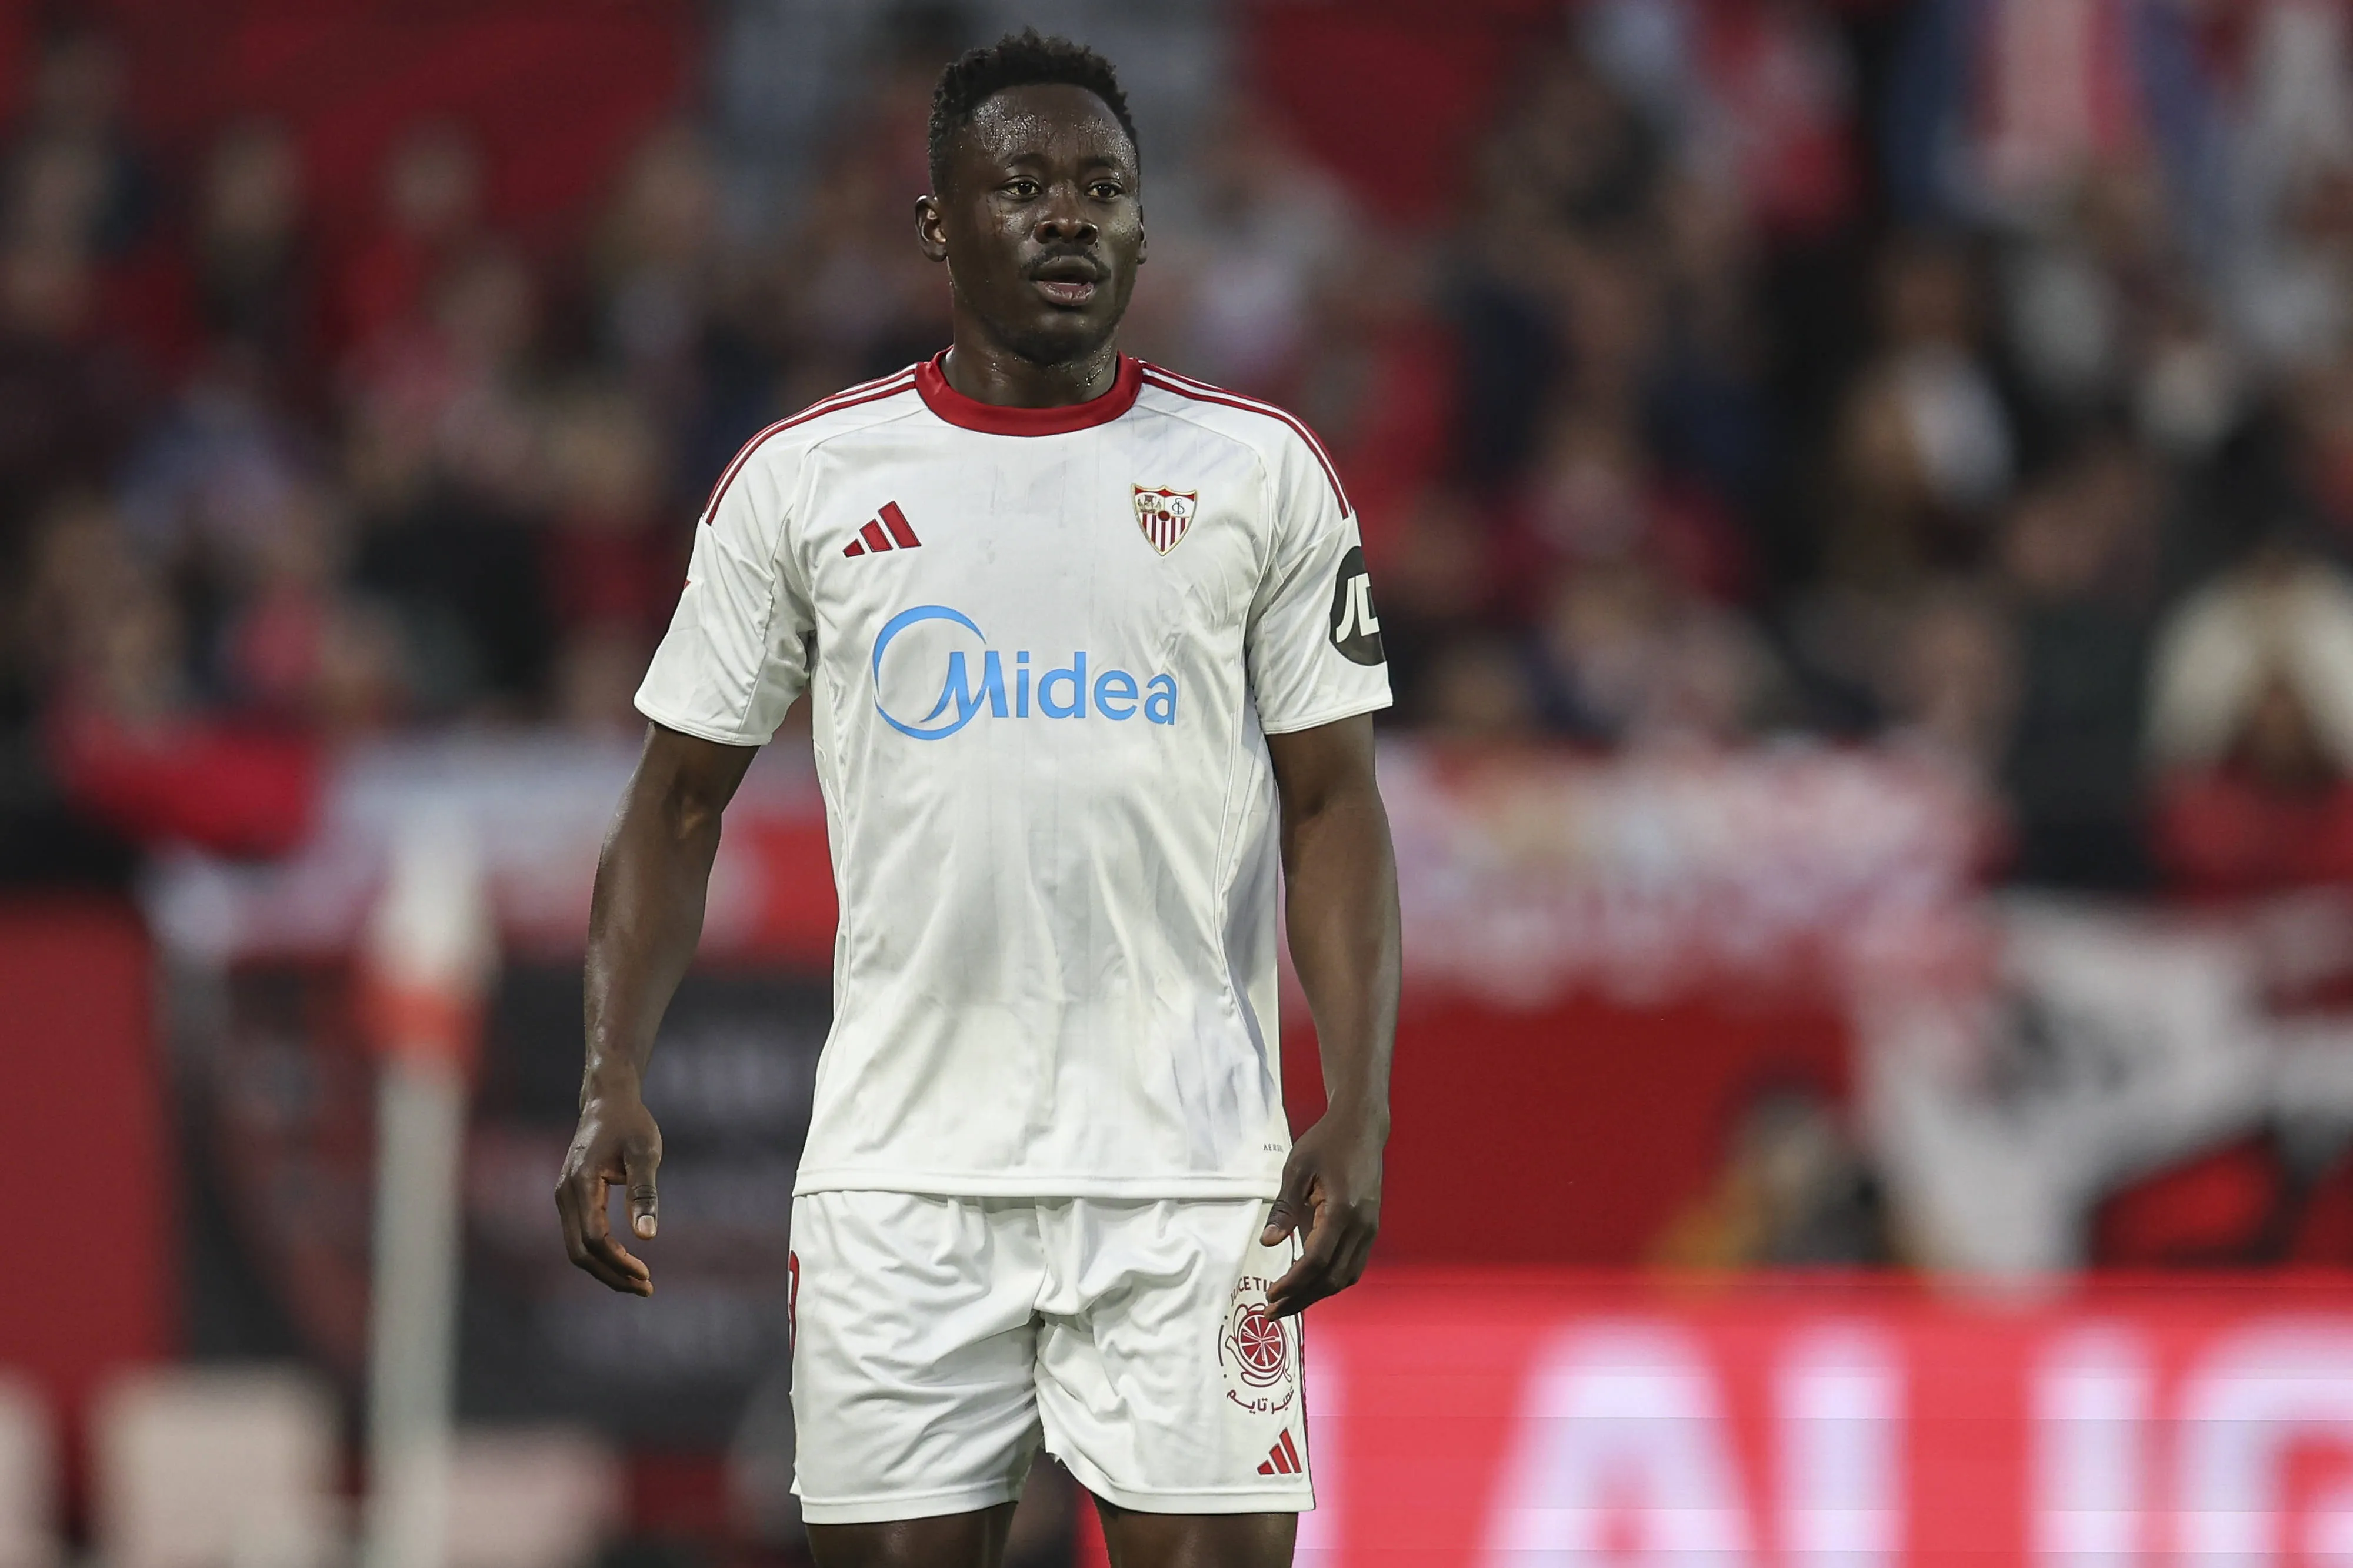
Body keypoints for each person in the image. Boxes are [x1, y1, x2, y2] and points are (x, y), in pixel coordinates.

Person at [553, 32, 1401, 1568]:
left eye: (1103, 188)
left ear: (1146, 222)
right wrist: (613, 1068)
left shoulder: (1260, 476)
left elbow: (1334, 809)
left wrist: (1363, 1096)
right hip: (902, 1181)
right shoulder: (805, 482)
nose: (1068, 217)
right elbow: (676, 804)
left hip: (1191, 1178)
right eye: (1022, 185)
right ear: (940, 219)